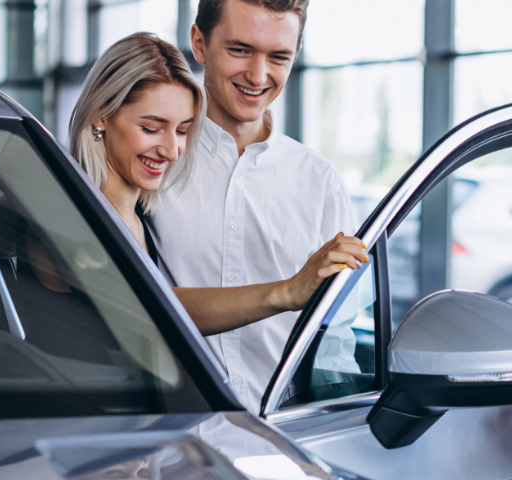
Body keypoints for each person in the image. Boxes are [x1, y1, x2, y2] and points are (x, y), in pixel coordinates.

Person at [67, 32, 369, 391]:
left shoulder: (136, 214)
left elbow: (334, 342)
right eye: (150, 128)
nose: (171, 150)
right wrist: (286, 292)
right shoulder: (71, 213)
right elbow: (152, 307)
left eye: (182, 130)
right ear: (101, 115)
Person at [148, 0, 364, 410]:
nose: (258, 75)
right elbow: (129, 300)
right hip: (172, 437)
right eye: (240, 50)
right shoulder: (156, 161)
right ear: (199, 42)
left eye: (278, 56)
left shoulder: (319, 182)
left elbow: (334, 339)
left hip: (284, 438)